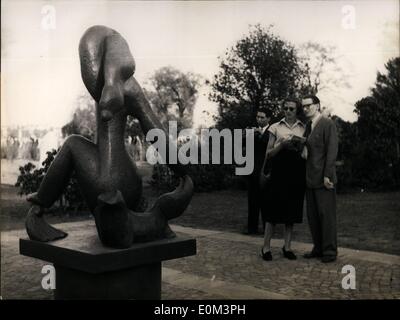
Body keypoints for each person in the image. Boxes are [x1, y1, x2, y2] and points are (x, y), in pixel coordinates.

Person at [260, 98, 306, 261]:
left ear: (297, 110)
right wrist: (281, 145)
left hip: (295, 172)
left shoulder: (303, 127)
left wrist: (300, 146)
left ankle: (287, 247)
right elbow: (268, 153)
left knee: (291, 211)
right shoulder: (275, 127)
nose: (288, 111)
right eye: (285, 108)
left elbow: (305, 152)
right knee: (273, 211)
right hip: (278, 172)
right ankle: (266, 247)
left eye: (291, 109)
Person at [301, 95, 338, 263]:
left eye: (308, 105)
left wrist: (327, 175)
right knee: (313, 216)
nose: (305, 109)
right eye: (303, 106)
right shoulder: (308, 126)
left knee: (326, 216)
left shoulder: (327, 124)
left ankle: (329, 252)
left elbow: (331, 151)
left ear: (317, 106)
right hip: (309, 179)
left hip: (323, 179)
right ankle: (318, 248)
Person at [243, 108, 272, 235]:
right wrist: (245, 134)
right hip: (253, 171)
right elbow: (242, 144)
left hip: (266, 172)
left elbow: (269, 146)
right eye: (257, 117)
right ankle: (252, 228)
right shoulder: (252, 131)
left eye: (262, 117)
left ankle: (267, 229)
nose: (259, 119)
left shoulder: (272, 131)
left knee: (266, 202)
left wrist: (259, 134)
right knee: (252, 201)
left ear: (268, 119)